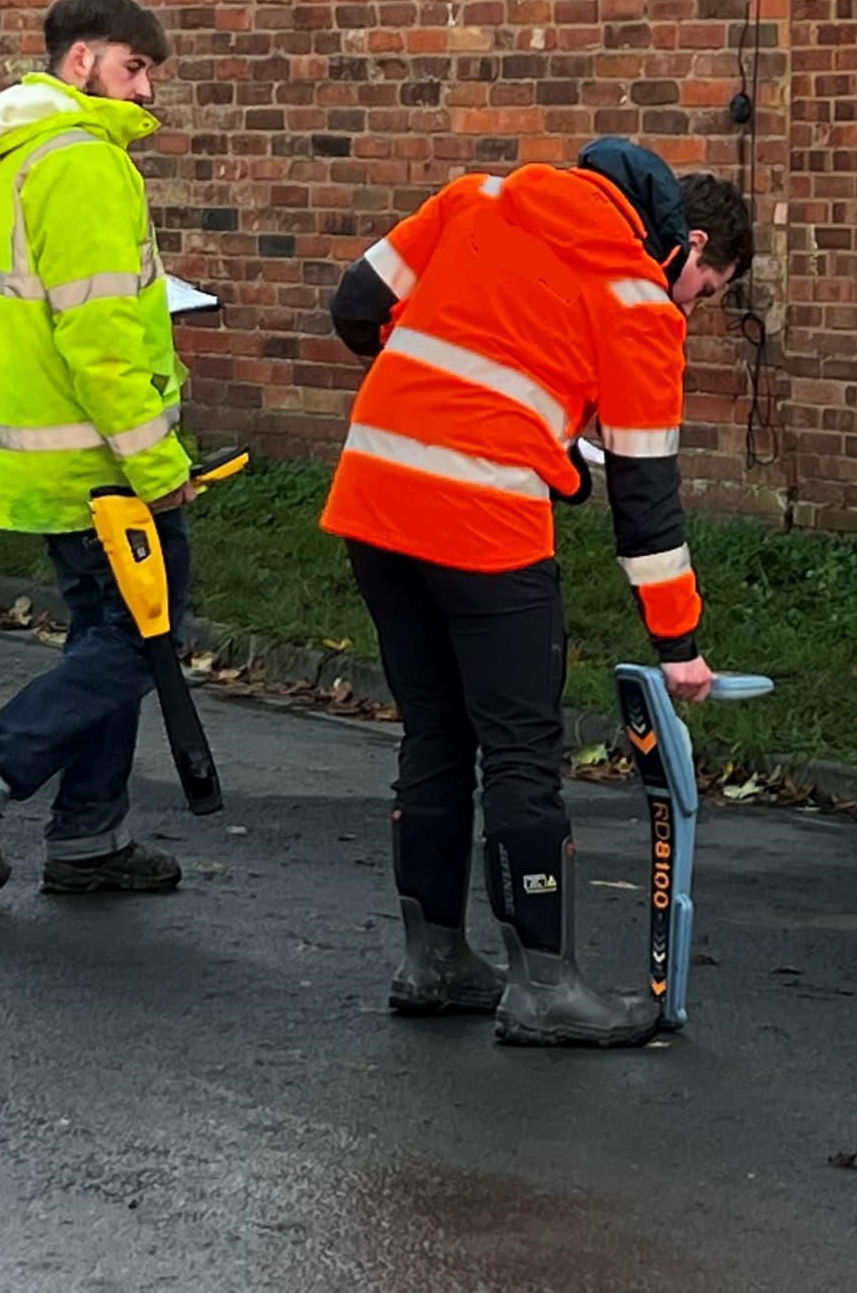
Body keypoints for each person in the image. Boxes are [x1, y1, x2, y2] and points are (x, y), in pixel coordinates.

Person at [320, 138, 754, 1047]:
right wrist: (680, 645)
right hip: (482, 524)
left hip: (373, 497)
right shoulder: (638, 301)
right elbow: (647, 502)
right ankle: (544, 985)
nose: (696, 307)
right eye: (706, 290)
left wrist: (454, 397)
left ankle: (433, 959)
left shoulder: (476, 198)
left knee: (433, 731)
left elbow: (357, 308)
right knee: (520, 748)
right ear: (686, 245)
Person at [0, 0, 200, 898]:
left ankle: (88, 840)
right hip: (102, 460)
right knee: (145, 637)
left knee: (104, 639)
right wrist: (159, 465)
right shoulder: (83, 163)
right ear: (82, 62)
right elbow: (99, 339)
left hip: (30, 448)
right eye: (135, 66)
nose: (148, 90)